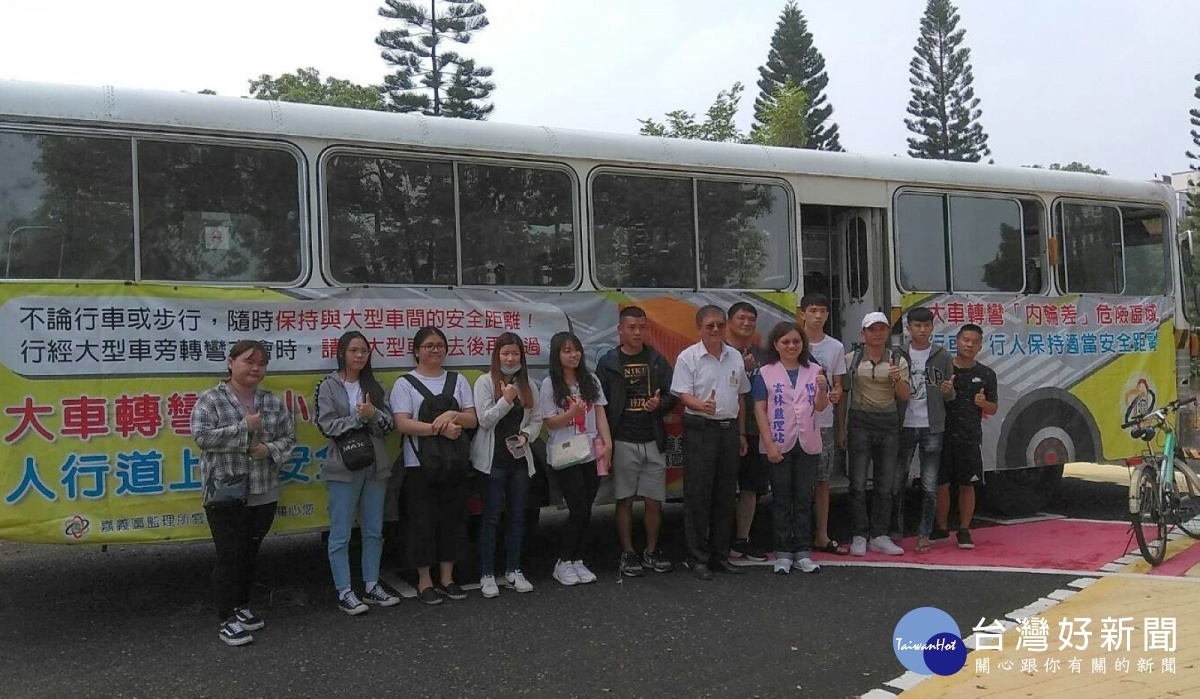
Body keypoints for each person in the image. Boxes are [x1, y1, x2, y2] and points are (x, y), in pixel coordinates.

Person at [191, 340, 296, 647]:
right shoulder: (211, 398)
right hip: (224, 491)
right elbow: (201, 436)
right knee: (228, 555)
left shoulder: (271, 401)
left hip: (263, 489)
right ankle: (225, 618)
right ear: (230, 362)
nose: (255, 368)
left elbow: (289, 438)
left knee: (250, 552)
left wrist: (269, 449)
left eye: (262, 363)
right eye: (249, 361)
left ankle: (242, 606)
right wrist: (242, 428)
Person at [391, 326, 478, 605]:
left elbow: (472, 419)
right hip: (418, 464)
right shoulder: (405, 383)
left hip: (455, 462)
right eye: (428, 345)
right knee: (421, 522)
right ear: (416, 351)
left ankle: (448, 577)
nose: (435, 349)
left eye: (440, 345)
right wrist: (437, 429)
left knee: (452, 520)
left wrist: (454, 415)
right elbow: (402, 423)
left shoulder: (458, 380)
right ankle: (424, 581)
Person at [314, 331, 400, 615]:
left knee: (374, 530)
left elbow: (389, 426)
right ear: (342, 353)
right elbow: (326, 425)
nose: (359, 356)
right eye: (354, 350)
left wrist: (373, 413)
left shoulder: (374, 386)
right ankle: (344, 590)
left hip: (376, 465)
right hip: (343, 468)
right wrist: (357, 418)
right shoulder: (327, 386)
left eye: (364, 351)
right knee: (340, 533)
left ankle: (372, 584)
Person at [670, 305, 751, 580]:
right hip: (700, 430)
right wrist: (701, 405)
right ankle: (697, 558)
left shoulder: (735, 357)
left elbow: (741, 396)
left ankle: (720, 555)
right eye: (710, 326)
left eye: (719, 325)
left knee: (726, 495)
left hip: (728, 431)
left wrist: (740, 434)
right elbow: (682, 394)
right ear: (699, 329)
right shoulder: (688, 358)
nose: (715, 330)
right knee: (698, 496)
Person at [596, 306, 677, 577]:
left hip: (653, 439)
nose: (637, 332)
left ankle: (652, 551)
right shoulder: (607, 362)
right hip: (623, 439)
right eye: (631, 327)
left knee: (654, 501)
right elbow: (601, 405)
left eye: (642, 327)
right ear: (620, 330)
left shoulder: (656, 359)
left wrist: (660, 404)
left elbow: (672, 394)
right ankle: (628, 552)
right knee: (625, 500)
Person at [752, 322, 829, 574]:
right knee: (782, 500)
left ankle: (803, 552)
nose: (791, 346)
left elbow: (820, 406)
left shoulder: (815, 370)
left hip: (807, 443)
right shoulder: (765, 372)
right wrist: (770, 444)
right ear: (776, 344)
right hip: (779, 444)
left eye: (796, 341)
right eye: (785, 342)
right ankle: (783, 553)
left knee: (803, 499)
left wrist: (823, 389)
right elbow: (759, 411)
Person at [472, 332, 544, 598]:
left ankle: (514, 569)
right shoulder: (484, 382)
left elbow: (537, 419)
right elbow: (485, 420)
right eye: (505, 354)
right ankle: (487, 573)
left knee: (517, 517)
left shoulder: (529, 385)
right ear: (496, 356)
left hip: (519, 461)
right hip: (492, 463)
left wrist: (527, 435)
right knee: (491, 518)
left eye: (515, 354)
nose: (510, 358)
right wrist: (506, 400)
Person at [540, 331, 611, 586]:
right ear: (557, 356)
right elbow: (550, 423)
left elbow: (600, 413)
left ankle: (578, 560)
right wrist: (571, 412)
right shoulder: (550, 384)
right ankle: (562, 562)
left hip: (591, 451)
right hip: (566, 452)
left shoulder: (590, 380)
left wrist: (608, 444)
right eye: (567, 351)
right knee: (578, 508)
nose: (573, 355)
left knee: (587, 509)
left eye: (576, 350)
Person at [838, 312, 910, 557]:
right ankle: (859, 534)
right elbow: (843, 395)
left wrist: (897, 379)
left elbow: (905, 396)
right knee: (857, 483)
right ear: (863, 333)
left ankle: (880, 534)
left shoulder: (898, 359)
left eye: (882, 329)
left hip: (888, 425)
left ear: (887, 332)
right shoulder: (851, 359)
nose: (877, 333)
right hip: (858, 424)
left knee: (885, 484)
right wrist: (841, 428)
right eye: (872, 329)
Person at [892, 308, 955, 553]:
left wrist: (949, 391)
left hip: (932, 426)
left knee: (929, 484)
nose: (922, 330)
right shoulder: (897, 354)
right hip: (904, 425)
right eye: (917, 326)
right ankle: (895, 533)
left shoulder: (942, 356)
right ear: (908, 328)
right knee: (898, 483)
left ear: (932, 327)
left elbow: (950, 395)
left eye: (926, 325)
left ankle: (924, 533)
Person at [935, 324, 998, 550]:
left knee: (967, 484)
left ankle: (964, 530)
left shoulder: (986, 374)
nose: (969, 345)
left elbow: (993, 409)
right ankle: (940, 528)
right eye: (965, 340)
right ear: (957, 342)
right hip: (941, 435)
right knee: (941, 483)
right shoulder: (944, 369)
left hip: (970, 437)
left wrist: (984, 404)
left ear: (980, 346)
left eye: (974, 341)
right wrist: (943, 393)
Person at [800, 293, 848, 555]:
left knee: (822, 482)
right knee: (798, 482)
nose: (818, 316)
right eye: (813, 310)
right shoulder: (792, 341)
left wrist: (841, 427)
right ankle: (797, 537)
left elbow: (839, 388)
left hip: (825, 423)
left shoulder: (835, 347)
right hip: (796, 424)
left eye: (823, 311)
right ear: (802, 313)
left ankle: (821, 535)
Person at [726, 301, 770, 563]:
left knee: (751, 488)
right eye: (741, 318)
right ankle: (718, 541)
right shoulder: (718, 350)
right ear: (730, 321)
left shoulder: (762, 354)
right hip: (724, 429)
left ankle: (742, 540)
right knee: (721, 489)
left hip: (756, 429)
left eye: (751, 319)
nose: (746, 323)